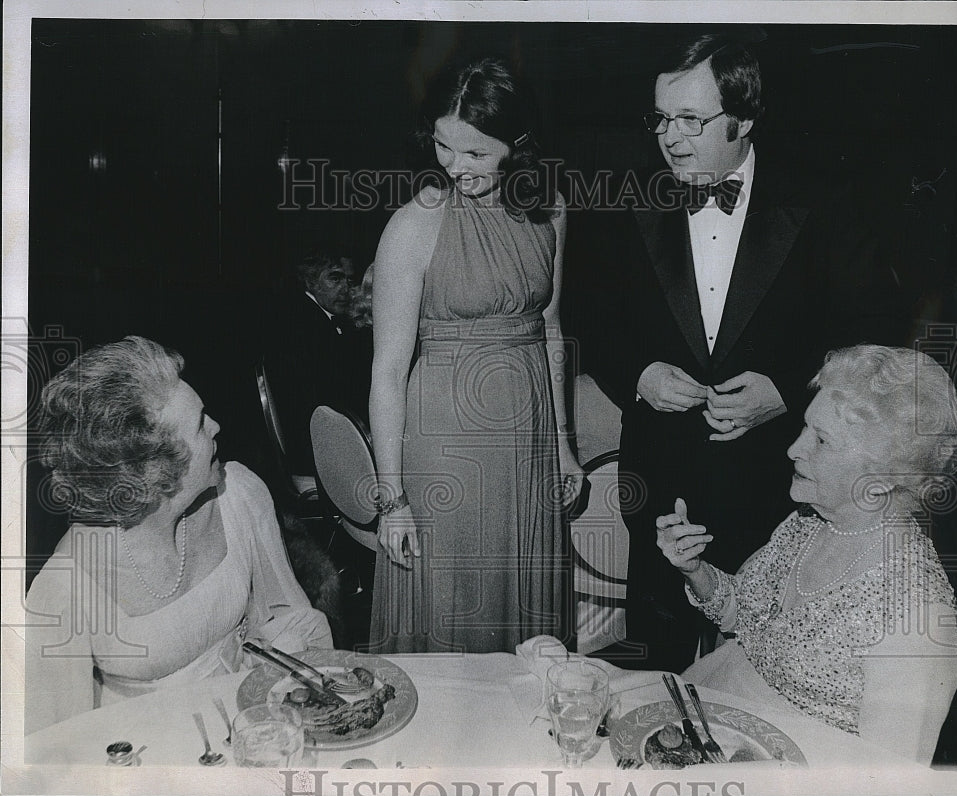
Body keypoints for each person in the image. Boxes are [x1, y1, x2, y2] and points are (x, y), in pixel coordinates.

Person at [573, 33, 905, 670]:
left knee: (765, 664)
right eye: (662, 119)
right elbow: (592, 319)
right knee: (657, 666)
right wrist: (638, 375)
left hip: (781, 485)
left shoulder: (823, 202)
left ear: (745, 118)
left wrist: (787, 388)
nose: (671, 138)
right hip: (659, 479)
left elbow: (878, 325)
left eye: (692, 120)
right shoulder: (624, 201)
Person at [657, 345, 957, 765]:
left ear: (878, 481)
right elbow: (748, 616)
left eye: (821, 440)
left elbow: (889, 783)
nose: (794, 450)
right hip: (712, 714)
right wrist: (695, 571)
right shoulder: (810, 520)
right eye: (806, 427)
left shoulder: (915, 618)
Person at [368, 56, 583, 654]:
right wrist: (394, 500)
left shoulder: (551, 209)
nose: (456, 167)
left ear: (519, 146)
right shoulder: (415, 224)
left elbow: (550, 325)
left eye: (477, 154)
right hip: (447, 445)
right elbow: (386, 375)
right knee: (453, 609)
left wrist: (564, 445)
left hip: (530, 441)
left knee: (528, 608)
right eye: (443, 147)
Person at [24, 336, 332, 734]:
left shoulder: (238, 495)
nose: (218, 426)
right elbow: (56, 747)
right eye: (201, 424)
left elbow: (288, 622)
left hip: (251, 730)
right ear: (153, 472)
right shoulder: (65, 588)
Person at [263, 252, 374, 478]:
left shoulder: (319, 318)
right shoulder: (303, 324)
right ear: (311, 282)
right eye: (335, 278)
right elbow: (334, 392)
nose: (345, 288)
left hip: (323, 435)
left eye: (348, 281)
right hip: (315, 449)